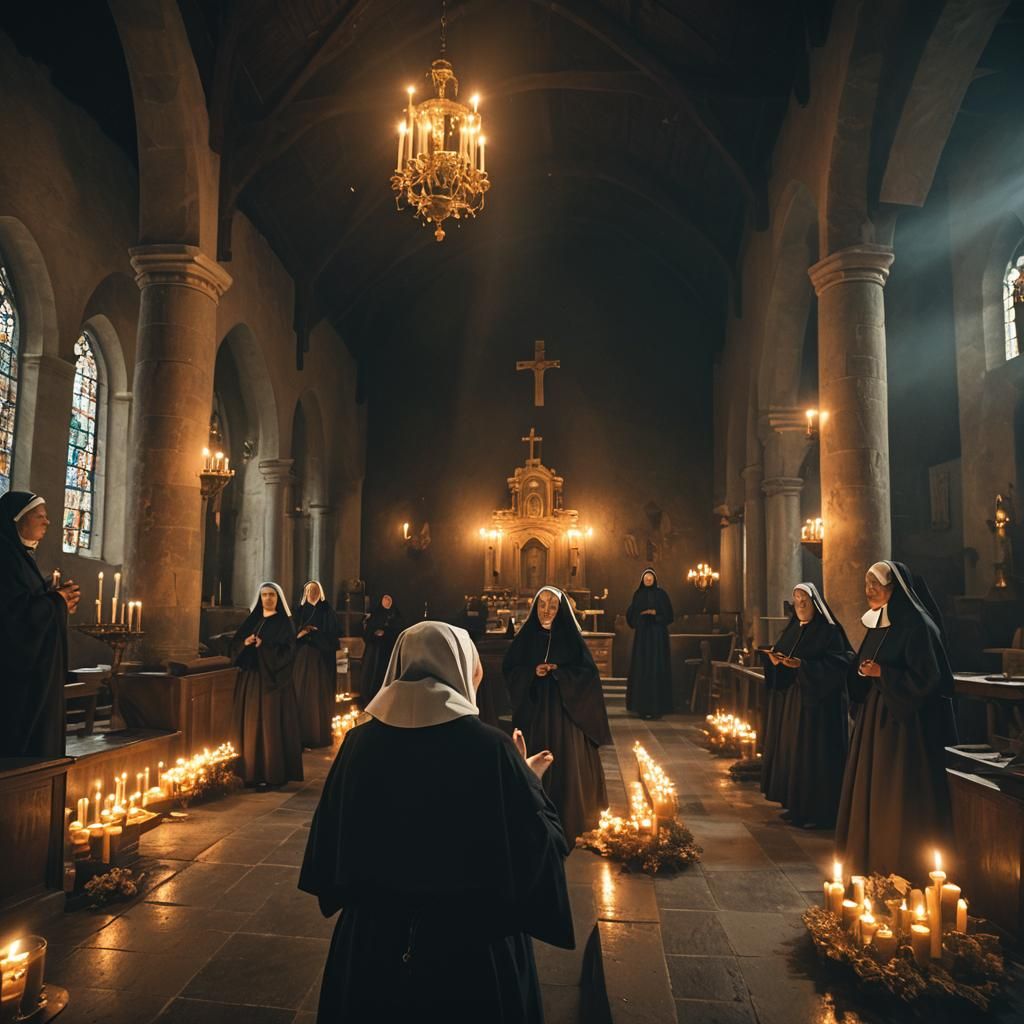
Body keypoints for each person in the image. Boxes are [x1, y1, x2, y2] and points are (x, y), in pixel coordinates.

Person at [299, 621, 573, 1024]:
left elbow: (330, 838)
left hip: (372, 946)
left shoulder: (358, 744)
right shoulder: (492, 749)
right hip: (472, 952)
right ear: (462, 670)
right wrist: (527, 782)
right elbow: (541, 847)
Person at [836, 561, 957, 876]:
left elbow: (929, 679)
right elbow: (866, 663)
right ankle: (870, 857)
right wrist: (862, 672)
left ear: (896, 588)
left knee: (897, 793)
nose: (869, 590)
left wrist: (883, 673)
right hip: (876, 720)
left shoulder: (918, 625)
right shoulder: (879, 623)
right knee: (873, 790)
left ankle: (897, 861)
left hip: (905, 728)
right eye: (867, 584)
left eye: (876, 584)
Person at [503, 586, 612, 842]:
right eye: (542, 605)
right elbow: (510, 670)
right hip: (535, 714)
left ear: (561, 609)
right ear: (535, 607)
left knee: (566, 765)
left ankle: (569, 815)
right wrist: (532, 672)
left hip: (566, 717)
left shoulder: (571, 639)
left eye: (552, 606)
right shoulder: (526, 638)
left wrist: (560, 674)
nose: (546, 611)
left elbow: (588, 675)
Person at [762, 584, 852, 828]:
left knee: (815, 757)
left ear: (816, 604)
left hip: (820, 708)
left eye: (805, 600)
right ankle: (797, 806)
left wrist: (804, 666)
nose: (800, 604)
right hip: (795, 702)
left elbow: (841, 663)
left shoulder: (830, 631)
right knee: (795, 754)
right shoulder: (793, 629)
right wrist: (775, 662)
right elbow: (783, 661)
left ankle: (819, 813)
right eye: (797, 599)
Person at [0, 492, 80, 757]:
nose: (47, 522)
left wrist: (58, 600)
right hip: (16, 680)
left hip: (38, 673)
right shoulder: (5, 557)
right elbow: (12, 617)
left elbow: (28, 603)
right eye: (40, 516)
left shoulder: (21, 557)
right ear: (17, 519)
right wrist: (56, 602)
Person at [231, 582, 304, 786]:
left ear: (278, 598)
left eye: (272, 595)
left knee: (270, 726)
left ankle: (272, 773)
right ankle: (249, 772)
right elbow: (234, 646)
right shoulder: (252, 620)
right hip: (251, 680)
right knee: (250, 726)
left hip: (273, 682)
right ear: (260, 598)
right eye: (264, 595)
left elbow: (289, 652)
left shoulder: (284, 622)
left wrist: (265, 648)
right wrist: (245, 644)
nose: (268, 598)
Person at [293, 581, 340, 748]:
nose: (312, 593)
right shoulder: (298, 611)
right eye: (309, 590)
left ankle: (318, 734)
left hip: (320, 660)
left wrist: (317, 635)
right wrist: (303, 632)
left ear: (320, 593)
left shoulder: (327, 611)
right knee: (300, 693)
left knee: (318, 696)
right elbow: (291, 634)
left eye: (315, 590)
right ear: (305, 593)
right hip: (301, 658)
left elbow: (333, 635)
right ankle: (300, 735)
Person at [625, 568, 675, 719]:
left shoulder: (661, 594)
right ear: (642, 580)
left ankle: (657, 707)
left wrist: (656, 614)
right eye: (646, 578)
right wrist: (640, 617)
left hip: (658, 637)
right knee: (642, 667)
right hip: (642, 637)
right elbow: (631, 615)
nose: (648, 580)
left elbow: (669, 615)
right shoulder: (638, 594)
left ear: (654, 579)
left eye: (650, 577)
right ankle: (641, 707)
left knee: (656, 667)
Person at [360, 593, 402, 703]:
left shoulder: (396, 615)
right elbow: (367, 634)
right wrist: (374, 633)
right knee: (372, 676)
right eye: (384, 599)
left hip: (388, 652)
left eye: (388, 600)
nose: (386, 602)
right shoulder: (375, 614)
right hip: (374, 652)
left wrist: (385, 633)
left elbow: (398, 633)